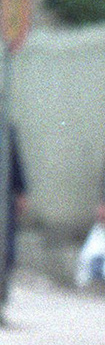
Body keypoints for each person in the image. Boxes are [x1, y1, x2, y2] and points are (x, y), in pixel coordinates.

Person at [0, 124, 28, 327]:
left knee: (6, 255)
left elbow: (15, 160)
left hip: (4, 202)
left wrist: (21, 190)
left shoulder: (5, 128)